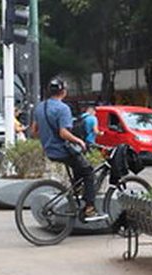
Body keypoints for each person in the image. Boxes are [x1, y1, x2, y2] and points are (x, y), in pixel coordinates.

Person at [31, 79, 105, 221]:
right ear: (63, 92)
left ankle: (76, 190)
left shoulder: (39, 107)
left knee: (79, 166)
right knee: (89, 173)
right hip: (61, 150)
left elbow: (34, 131)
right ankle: (89, 208)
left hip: (49, 150)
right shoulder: (63, 108)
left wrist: (48, 137)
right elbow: (63, 133)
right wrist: (79, 141)